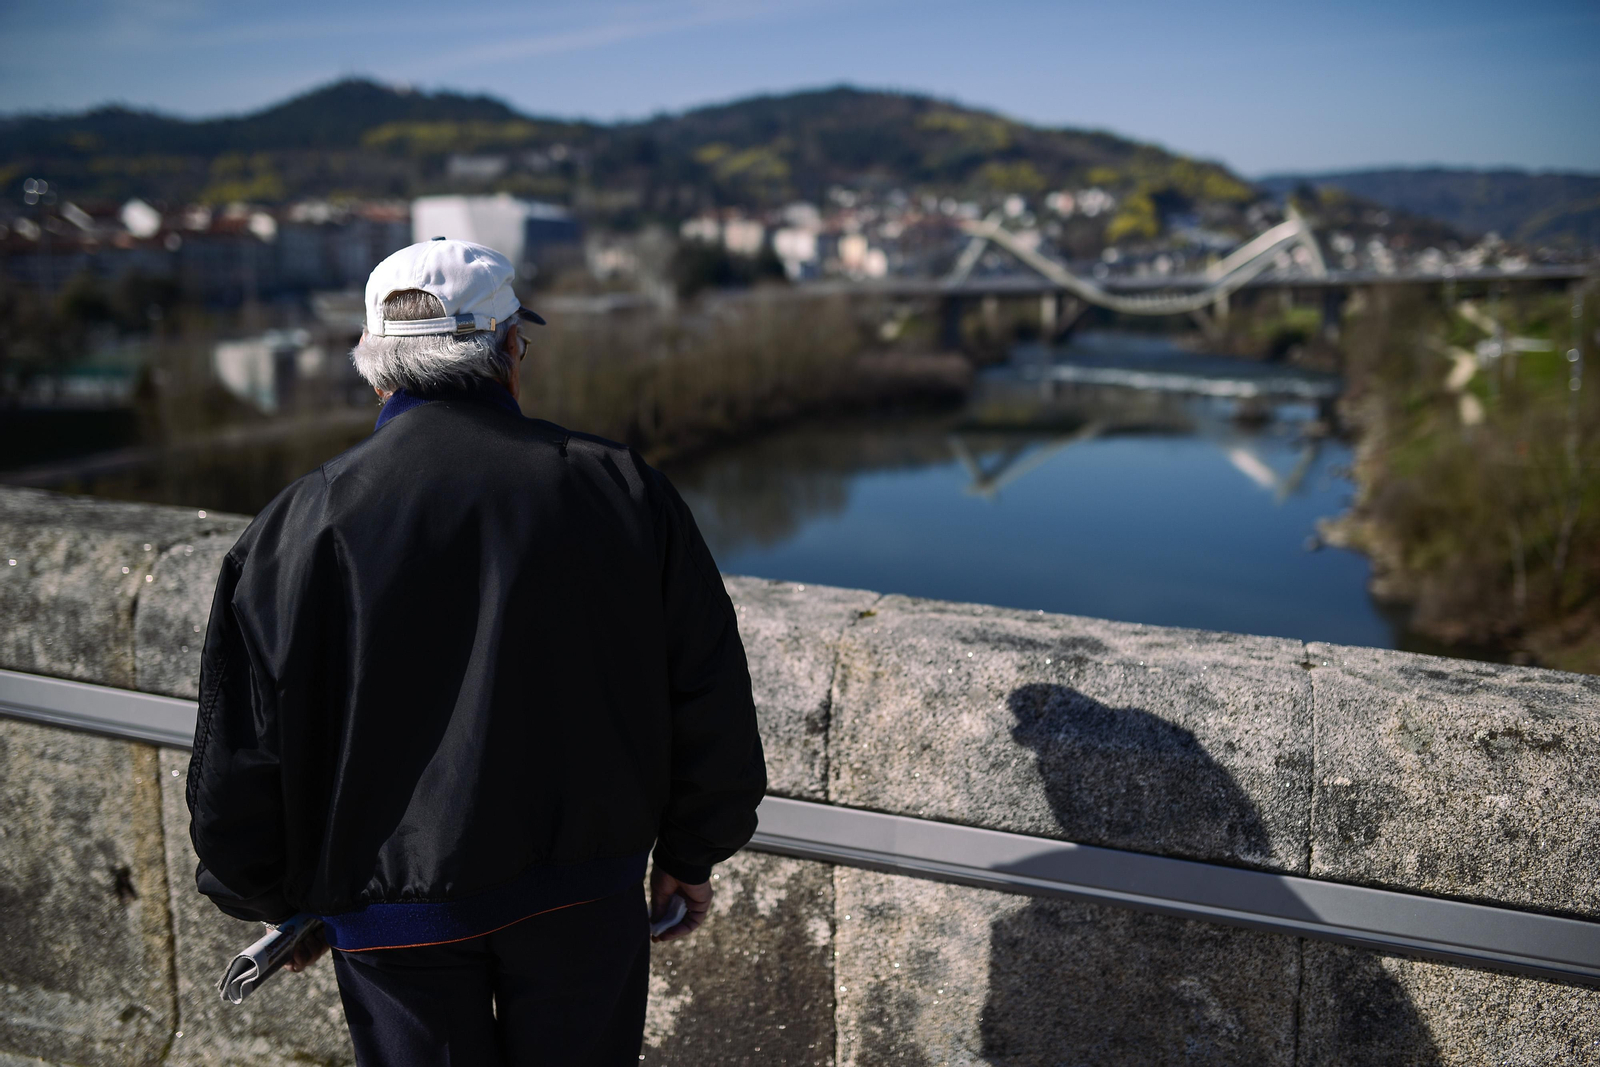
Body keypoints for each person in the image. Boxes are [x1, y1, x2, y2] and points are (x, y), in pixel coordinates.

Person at [187, 238, 767, 1066]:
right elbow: (706, 686)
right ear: (507, 353)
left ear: (374, 368)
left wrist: (278, 898)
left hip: (391, 919)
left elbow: (242, 746)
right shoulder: (621, 488)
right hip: (584, 893)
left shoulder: (301, 524)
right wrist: (689, 849)